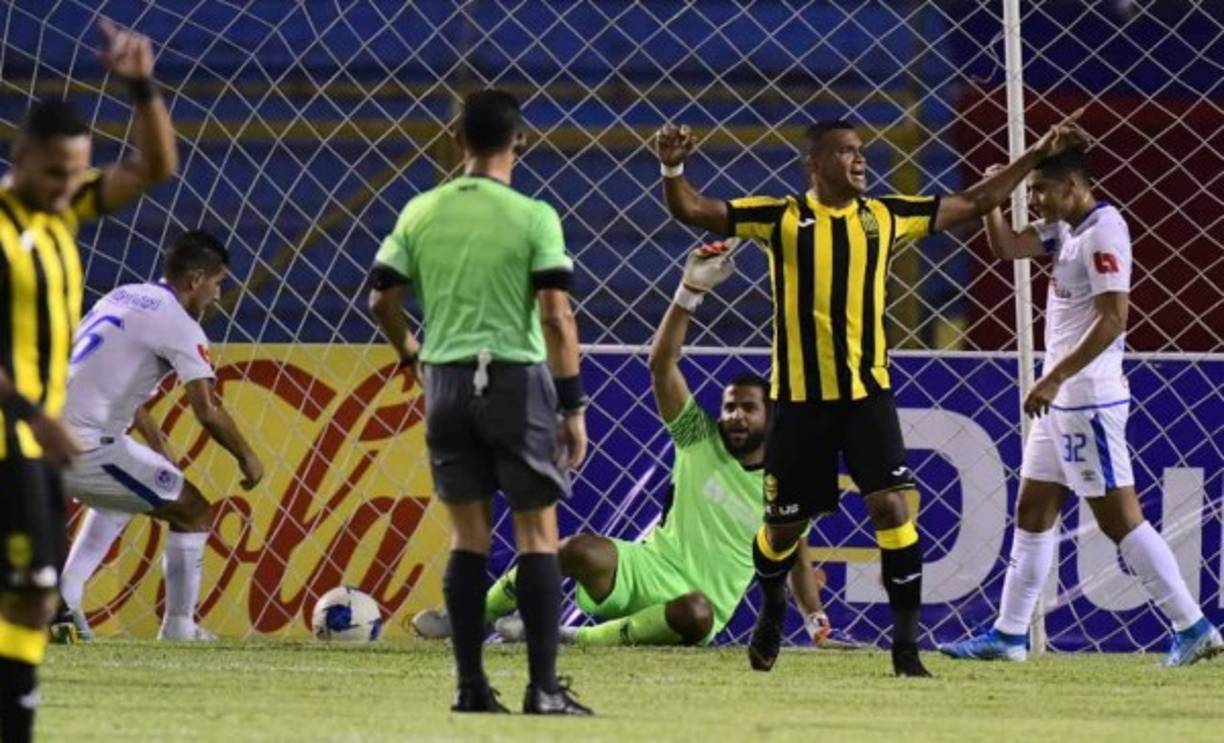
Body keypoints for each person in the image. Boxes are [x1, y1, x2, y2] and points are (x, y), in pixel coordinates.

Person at [655, 111, 1086, 676]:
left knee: (892, 506)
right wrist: (672, 165)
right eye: (846, 151)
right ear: (815, 164)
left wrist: (1034, 154)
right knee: (782, 527)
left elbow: (977, 203)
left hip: (867, 396)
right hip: (801, 403)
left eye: (861, 150)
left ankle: (905, 650)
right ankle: (774, 607)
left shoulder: (886, 216)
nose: (860, 159)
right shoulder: (780, 218)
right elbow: (692, 209)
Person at [413, 240, 858, 649]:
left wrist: (819, 627)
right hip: (646, 569)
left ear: (771, 418)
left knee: (697, 612)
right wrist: (689, 293)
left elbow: (797, 557)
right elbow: (661, 364)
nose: (735, 416)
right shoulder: (698, 438)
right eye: (728, 407)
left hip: (697, 605)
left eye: (747, 408)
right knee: (577, 548)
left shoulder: (788, 483)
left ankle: (571, 637)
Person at [939, 151, 1223, 666]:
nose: (1035, 202)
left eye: (1041, 192)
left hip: (1086, 397)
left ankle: (1193, 624)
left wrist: (1054, 378)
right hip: (1065, 401)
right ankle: (1009, 635)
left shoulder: (1102, 232)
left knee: (1120, 521)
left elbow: (1114, 319)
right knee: (1032, 510)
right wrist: (992, 203)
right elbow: (1007, 249)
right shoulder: (1065, 229)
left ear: (1073, 186)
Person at [368, 89, 591, 715]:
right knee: (537, 534)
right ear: (518, 142)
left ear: (458, 140)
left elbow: (381, 299)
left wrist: (409, 350)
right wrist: (573, 406)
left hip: (443, 383)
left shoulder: (420, 211)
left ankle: (470, 688)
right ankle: (542, 690)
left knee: (468, 538)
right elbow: (556, 316)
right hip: (515, 383)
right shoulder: (533, 216)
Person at [0, 17, 177, 742]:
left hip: (36, 438)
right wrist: (29, 411)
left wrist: (139, 86)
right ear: (21, 157)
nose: (68, 187)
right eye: (54, 174)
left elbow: (155, 167)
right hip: (13, 433)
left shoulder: (62, 211)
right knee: (26, 592)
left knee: (36, 597)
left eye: (77, 173)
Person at [53, 230, 264, 643]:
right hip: (84, 445)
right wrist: (247, 457)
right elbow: (208, 410)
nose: (218, 295)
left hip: (41, 432)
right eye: (218, 283)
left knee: (132, 489)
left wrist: (157, 443)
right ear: (195, 279)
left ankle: (68, 593)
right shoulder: (181, 327)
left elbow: (111, 379)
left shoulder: (122, 295)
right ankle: (179, 628)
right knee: (194, 511)